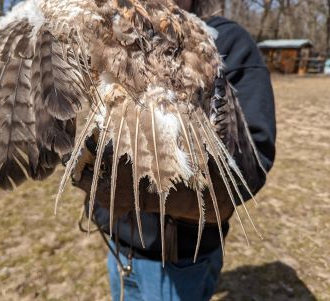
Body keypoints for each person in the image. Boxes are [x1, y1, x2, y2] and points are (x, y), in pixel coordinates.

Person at [73, 0, 276, 300]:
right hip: (118, 245)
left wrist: (146, 190)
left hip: (179, 260)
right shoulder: (115, 35)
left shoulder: (227, 40)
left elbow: (251, 165)